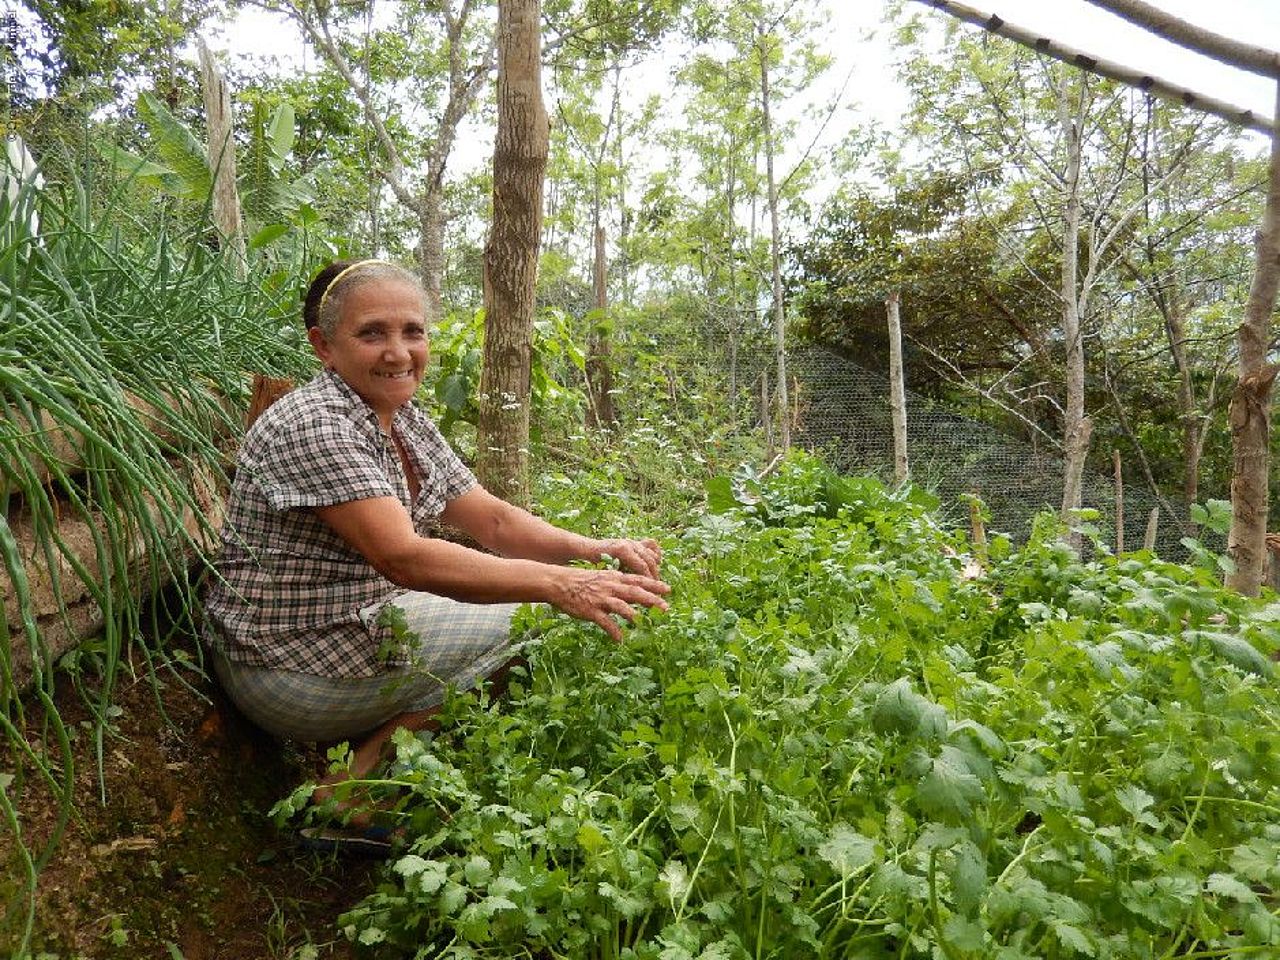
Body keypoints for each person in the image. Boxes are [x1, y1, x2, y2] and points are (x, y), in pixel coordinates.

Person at [204, 258, 670, 809]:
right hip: (289, 665)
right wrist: (560, 584)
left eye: (412, 331)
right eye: (372, 333)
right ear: (324, 346)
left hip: (356, 628)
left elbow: (491, 519)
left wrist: (594, 550)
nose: (398, 352)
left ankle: (373, 761)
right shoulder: (316, 422)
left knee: (548, 603)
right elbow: (405, 558)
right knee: (541, 620)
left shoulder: (401, 417)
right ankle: (348, 796)